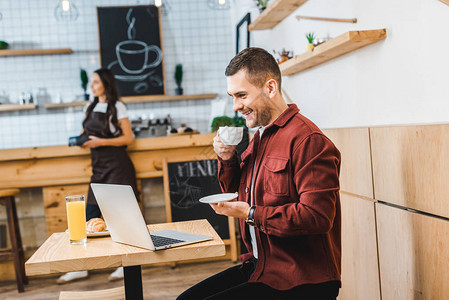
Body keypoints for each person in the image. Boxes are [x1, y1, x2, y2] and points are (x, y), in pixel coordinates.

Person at [177, 47, 341, 300]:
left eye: (241, 95)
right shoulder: (261, 136)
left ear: (271, 88)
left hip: (300, 280)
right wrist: (227, 158)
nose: (235, 106)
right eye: (232, 96)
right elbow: (237, 192)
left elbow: (317, 217)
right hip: (261, 266)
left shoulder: (308, 140)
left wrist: (251, 213)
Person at [57, 68, 139, 284]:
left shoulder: (117, 106)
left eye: (95, 82)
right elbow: (89, 133)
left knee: (121, 218)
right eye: (91, 82)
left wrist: (100, 142)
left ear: (105, 83)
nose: (91, 86)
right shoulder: (90, 106)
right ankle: (81, 266)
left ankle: (126, 265)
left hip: (118, 167)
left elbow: (128, 137)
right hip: (99, 169)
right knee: (88, 217)